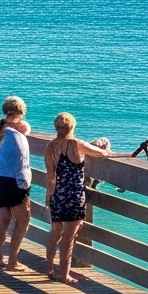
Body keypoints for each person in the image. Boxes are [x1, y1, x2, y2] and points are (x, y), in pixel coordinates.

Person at [43, 112, 111, 284]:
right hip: (74, 196)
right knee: (69, 237)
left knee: (55, 233)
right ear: (72, 127)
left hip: (57, 194)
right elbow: (102, 154)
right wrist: (106, 147)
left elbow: (50, 177)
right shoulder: (77, 144)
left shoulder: (50, 147)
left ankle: (50, 269)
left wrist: (49, 197)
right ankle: (65, 275)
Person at [0, 97, 34, 272]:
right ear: (20, 113)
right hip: (13, 179)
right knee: (24, 219)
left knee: (4, 220)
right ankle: (13, 261)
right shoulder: (16, 130)